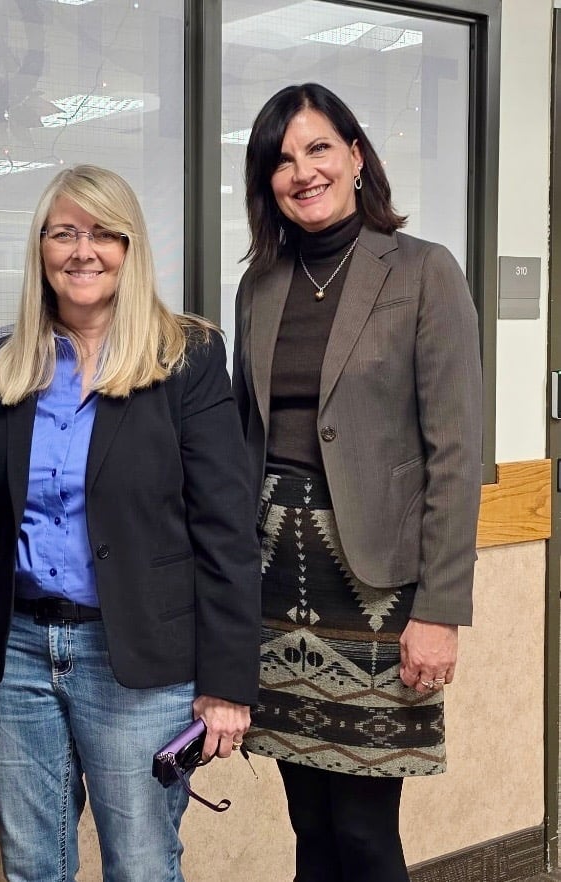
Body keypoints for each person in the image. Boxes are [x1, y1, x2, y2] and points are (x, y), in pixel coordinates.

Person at [0, 164, 261, 882]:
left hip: (138, 660)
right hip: (19, 655)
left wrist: (228, 683)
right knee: (32, 867)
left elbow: (225, 528)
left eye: (104, 232)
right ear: (39, 249)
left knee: (139, 866)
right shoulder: (2, 367)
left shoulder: (185, 358)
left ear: (130, 249)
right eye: (63, 232)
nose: (83, 249)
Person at [232, 83, 482, 881]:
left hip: (375, 592)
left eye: (316, 149)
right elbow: (245, 437)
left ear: (354, 155)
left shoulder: (422, 271)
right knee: (309, 826)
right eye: (280, 160)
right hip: (274, 588)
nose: (300, 171)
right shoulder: (259, 285)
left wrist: (438, 610)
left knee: (366, 834)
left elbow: (454, 451)